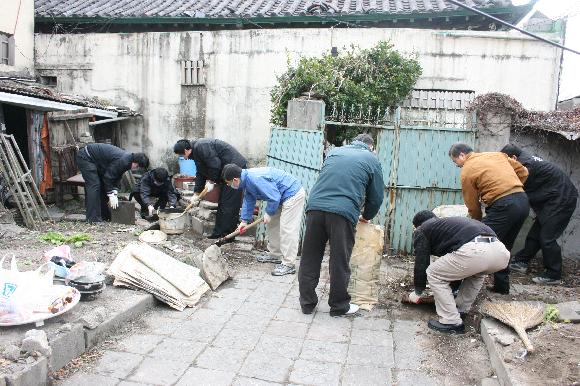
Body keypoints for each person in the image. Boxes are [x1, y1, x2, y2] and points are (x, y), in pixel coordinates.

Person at [298, 134, 384, 317]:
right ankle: (338, 306)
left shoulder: (334, 152)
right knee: (339, 259)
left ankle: (307, 303)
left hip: (314, 207)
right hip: (342, 212)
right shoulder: (371, 159)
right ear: (371, 147)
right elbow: (376, 197)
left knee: (310, 257)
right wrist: (367, 216)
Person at [408, 210, 509, 333]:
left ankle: (451, 321)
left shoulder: (423, 229)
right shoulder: (448, 226)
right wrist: (452, 289)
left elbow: (421, 262)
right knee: (476, 274)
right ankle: (460, 310)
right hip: (500, 253)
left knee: (433, 273)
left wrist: (418, 291)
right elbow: (455, 269)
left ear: (417, 225)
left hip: (476, 252)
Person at [449, 142, 529, 294]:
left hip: (503, 206)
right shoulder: (496, 155)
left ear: (462, 155)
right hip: (523, 201)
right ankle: (502, 287)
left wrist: (476, 224)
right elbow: (524, 172)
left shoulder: (467, 170)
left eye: (455, 162)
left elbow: (472, 205)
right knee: (504, 246)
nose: (457, 165)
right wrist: (512, 187)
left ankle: (455, 287)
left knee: (475, 243)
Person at [500, 144, 578, 285]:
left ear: (513, 158)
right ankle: (521, 262)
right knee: (535, 234)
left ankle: (554, 275)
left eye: (506, 162)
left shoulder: (526, 166)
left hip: (561, 199)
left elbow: (516, 189)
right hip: (553, 199)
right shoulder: (526, 161)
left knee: (547, 238)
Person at [222, 164, 306, 276]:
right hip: (279, 197)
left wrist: (269, 212)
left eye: (229, 183)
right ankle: (275, 254)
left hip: (292, 194)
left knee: (287, 229)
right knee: (273, 225)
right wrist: (244, 221)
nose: (229, 185)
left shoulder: (255, 178)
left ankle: (288, 264)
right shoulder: (246, 180)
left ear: (235, 180)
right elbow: (249, 199)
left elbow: (274, 196)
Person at [173, 139, 248, 239]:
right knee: (223, 203)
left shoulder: (201, 147)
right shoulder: (195, 152)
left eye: (182, 155)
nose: (183, 158)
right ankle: (219, 233)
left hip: (235, 171)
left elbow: (215, 164)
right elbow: (200, 172)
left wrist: (211, 181)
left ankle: (227, 236)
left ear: (186, 150)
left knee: (229, 204)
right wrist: (196, 192)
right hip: (226, 171)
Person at [76, 143, 149, 223]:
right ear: (135, 163)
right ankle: (93, 219)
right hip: (86, 157)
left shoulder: (128, 160)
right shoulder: (124, 160)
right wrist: (111, 194)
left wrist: (114, 190)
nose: (136, 169)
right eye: (137, 167)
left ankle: (104, 216)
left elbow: (116, 176)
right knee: (94, 185)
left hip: (97, 161)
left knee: (103, 187)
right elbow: (108, 177)